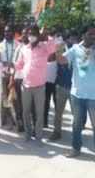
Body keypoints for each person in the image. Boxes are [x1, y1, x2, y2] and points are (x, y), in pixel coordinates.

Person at [55, 23, 95, 158]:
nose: (93, 36)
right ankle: (75, 148)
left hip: (93, 95)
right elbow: (61, 61)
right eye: (90, 34)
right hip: (77, 94)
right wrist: (57, 50)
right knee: (77, 124)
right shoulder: (75, 49)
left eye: (94, 34)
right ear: (83, 35)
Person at [14, 25, 56, 147]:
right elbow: (20, 64)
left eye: (33, 33)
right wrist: (12, 65)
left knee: (39, 113)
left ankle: (38, 137)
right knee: (25, 112)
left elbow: (53, 46)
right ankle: (27, 134)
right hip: (25, 86)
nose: (30, 36)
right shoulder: (24, 49)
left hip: (39, 87)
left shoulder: (44, 47)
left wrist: (46, 35)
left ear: (38, 35)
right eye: (29, 33)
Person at [48, 33, 79, 141]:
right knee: (58, 112)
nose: (73, 41)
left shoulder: (77, 54)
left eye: (75, 39)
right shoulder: (60, 52)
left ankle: (76, 135)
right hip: (60, 86)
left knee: (76, 114)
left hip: (73, 88)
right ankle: (56, 132)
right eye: (71, 39)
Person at [0, 24, 20, 129]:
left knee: (15, 99)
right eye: (5, 31)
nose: (7, 33)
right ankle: (4, 119)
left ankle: (16, 120)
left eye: (9, 31)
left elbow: (20, 61)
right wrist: (4, 71)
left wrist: (12, 72)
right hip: (3, 75)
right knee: (4, 98)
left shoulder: (18, 45)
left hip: (15, 75)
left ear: (13, 32)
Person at [11, 27, 29, 133]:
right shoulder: (18, 47)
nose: (24, 35)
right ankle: (20, 125)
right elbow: (14, 63)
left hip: (26, 81)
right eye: (23, 33)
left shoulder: (31, 48)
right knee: (18, 105)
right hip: (17, 79)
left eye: (26, 33)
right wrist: (12, 78)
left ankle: (28, 126)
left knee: (26, 106)